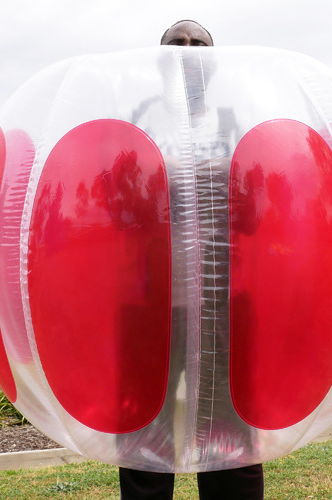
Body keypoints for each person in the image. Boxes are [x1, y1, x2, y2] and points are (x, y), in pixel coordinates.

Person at [118, 20, 264, 499]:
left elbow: (256, 212)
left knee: (229, 436)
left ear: (212, 62)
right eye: (176, 45)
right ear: (160, 60)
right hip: (151, 306)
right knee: (145, 437)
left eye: (197, 45)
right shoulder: (137, 120)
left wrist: (220, 177)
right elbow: (117, 206)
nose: (187, 52)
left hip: (223, 304)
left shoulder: (231, 123)